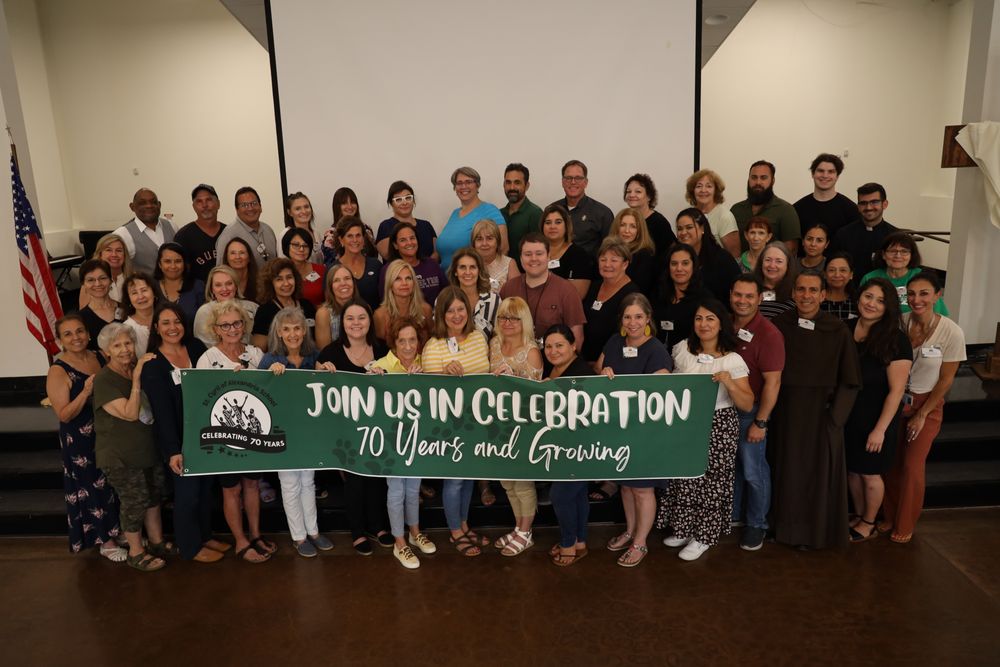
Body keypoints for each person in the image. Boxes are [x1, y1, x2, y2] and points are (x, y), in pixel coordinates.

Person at [770, 272, 861, 550]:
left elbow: (850, 381)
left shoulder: (837, 330)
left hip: (822, 415)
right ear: (793, 293)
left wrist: (835, 420)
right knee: (786, 473)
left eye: (812, 290)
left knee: (816, 477)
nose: (806, 296)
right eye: (801, 290)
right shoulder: (779, 325)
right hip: (785, 413)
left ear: (823, 295)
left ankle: (813, 534)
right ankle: (783, 530)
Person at [662, 299, 753, 561]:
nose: (704, 324)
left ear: (721, 323)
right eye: (699, 318)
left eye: (710, 318)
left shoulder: (733, 359)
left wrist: (729, 382)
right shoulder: (681, 349)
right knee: (684, 476)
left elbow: (747, 403)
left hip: (719, 423)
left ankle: (704, 535)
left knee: (712, 481)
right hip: (685, 420)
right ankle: (684, 527)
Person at [881, 271, 966, 544]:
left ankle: (905, 523)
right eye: (912, 294)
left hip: (927, 404)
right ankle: (889, 516)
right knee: (891, 463)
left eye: (924, 293)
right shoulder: (900, 323)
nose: (917, 300)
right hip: (896, 401)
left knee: (912, 464)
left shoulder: (952, 331)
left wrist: (922, 414)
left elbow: (946, 379)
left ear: (937, 296)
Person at [141, 304, 229, 563]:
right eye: (166, 323)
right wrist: (173, 451)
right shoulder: (154, 365)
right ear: (156, 328)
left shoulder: (196, 349)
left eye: (177, 322)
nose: (172, 328)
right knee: (187, 495)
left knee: (204, 491)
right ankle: (190, 547)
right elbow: (162, 413)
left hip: (206, 434)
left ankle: (205, 536)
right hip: (179, 440)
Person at [195, 300, 274, 562]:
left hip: (253, 433)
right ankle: (240, 541)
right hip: (223, 436)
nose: (232, 329)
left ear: (244, 324)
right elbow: (201, 400)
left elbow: (271, 393)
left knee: (252, 485)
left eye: (237, 323)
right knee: (231, 490)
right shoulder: (207, 358)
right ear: (216, 329)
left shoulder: (256, 355)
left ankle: (255, 535)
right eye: (225, 325)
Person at [597, 293, 672, 567]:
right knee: (626, 486)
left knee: (642, 489)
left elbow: (662, 384)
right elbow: (599, 366)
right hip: (618, 428)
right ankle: (630, 531)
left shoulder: (656, 350)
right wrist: (603, 371)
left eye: (638, 316)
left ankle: (640, 543)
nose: (633, 322)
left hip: (645, 432)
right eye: (628, 316)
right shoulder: (615, 342)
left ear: (648, 319)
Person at [93, 323, 171, 572]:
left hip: (146, 450)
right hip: (120, 457)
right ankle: (136, 552)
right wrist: (137, 378)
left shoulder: (136, 368)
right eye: (117, 345)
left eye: (128, 343)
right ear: (107, 351)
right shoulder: (105, 379)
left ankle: (157, 543)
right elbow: (129, 413)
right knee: (134, 502)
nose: (125, 349)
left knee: (154, 497)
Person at [259, 307, 335, 557]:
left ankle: (313, 531)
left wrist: (327, 370)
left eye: (297, 328)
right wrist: (271, 378)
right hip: (282, 432)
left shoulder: (313, 356)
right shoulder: (270, 360)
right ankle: (299, 537)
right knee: (290, 484)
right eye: (287, 329)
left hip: (308, 431)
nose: (293, 334)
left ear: (305, 331)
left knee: (308, 482)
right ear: (278, 332)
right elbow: (259, 393)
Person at [317, 300, 392, 554]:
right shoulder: (329, 354)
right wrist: (324, 375)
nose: (356, 323)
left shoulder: (383, 350)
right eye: (350, 318)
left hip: (377, 428)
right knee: (355, 480)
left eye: (362, 317)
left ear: (370, 321)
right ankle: (357, 531)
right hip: (345, 430)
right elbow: (320, 395)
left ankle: (378, 526)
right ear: (342, 323)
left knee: (376, 477)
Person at [47, 315, 124, 560]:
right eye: (68, 334)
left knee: (112, 482)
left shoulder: (99, 356)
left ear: (88, 334)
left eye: (80, 331)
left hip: (107, 431)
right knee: (93, 486)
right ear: (60, 341)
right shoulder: (59, 370)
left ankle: (117, 530)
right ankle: (106, 541)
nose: (76, 337)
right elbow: (64, 414)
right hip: (79, 438)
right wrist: (86, 392)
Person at [421, 287, 491, 556]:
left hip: (477, 422)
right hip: (449, 427)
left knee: (469, 478)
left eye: (461, 308)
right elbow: (428, 392)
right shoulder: (434, 345)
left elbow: (485, 373)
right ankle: (454, 532)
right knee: (454, 481)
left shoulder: (477, 338)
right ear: (441, 314)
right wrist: (443, 374)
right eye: (450, 310)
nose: (456, 314)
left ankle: (464, 524)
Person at [843, 279, 912, 542]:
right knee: (853, 470)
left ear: (889, 307)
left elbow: (896, 391)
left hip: (877, 417)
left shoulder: (897, 340)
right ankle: (860, 515)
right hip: (849, 414)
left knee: (870, 473)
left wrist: (880, 430)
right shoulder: (847, 328)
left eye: (880, 300)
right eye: (868, 296)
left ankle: (869, 522)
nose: (871, 303)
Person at [370, 317, 436, 569]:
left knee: (413, 489)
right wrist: (374, 377)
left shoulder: (425, 363)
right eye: (402, 341)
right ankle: (400, 543)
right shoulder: (382, 364)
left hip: (418, 438)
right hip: (392, 440)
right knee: (396, 491)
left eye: (412, 340)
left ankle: (415, 532)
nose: (408, 346)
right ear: (393, 342)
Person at [727, 274, 784, 551]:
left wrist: (761, 422)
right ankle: (736, 516)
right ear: (731, 295)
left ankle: (757, 524)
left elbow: (773, 382)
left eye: (749, 296)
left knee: (754, 471)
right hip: (724, 411)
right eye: (738, 294)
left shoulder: (769, 334)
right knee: (733, 470)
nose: (743, 300)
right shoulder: (724, 324)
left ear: (759, 299)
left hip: (751, 414)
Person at [489, 297, 543, 557]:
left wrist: (513, 381)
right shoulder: (494, 344)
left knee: (522, 483)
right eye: (502, 317)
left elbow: (536, 396)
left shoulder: (531, 351)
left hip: (523, 426)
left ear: (524, 321)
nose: (507, 323)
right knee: (507, 483)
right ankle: (518, 526)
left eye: (513, 318)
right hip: (497, 426)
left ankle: (526, 531)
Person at [542, 325, 595, 565]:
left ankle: (568, 543)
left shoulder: (582, 373)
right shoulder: (554, 369)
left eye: (559, 345)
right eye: (549, 346)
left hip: (580, 447)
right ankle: (580, 541)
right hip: (563, 446)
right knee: (577, 495)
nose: (553, 351)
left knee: (560, 495)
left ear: (573, 346)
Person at [499, 233, 587, 350]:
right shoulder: (508, 288)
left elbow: (577, 338)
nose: (533, 258)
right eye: (528, 254)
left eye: (539, 254)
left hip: (554, 362)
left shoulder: (567, 291)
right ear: (520, 258)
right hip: (515, 361)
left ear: (549, 256)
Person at [860, 232, 950, 315]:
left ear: (911, 255)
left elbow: (940, 314)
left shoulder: (924, 278)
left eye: (904, 251)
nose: (898, 256)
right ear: (883, 254)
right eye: (892, 251)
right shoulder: (870, 278)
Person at [581, 237, 639, 365]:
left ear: (625, 264)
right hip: (586, 361)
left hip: (611, 364)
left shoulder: (632, 294)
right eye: (603, 259)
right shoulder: (594, 286)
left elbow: (627, 334)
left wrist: (602, 361)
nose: (607, 265)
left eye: (614, 260)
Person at [438, 166, 507, 269]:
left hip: (471, 280)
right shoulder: (455, 214)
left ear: (477, 185)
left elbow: (503, 248)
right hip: (447, 281)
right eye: (459, 183)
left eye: (469, 182)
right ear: (455, 188)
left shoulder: (490, 211)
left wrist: (483, 279)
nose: (464, 186)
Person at [829, 183, 899, 278]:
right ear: (858, 206)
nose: (868, 207)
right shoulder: (843, 235)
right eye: (863, 203)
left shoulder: (896, 237)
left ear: (885, 204)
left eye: (874, 202)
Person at [731, 160, 801, 254]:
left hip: (772, 267)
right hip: (739, 267)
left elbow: (790, 252)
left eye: (763, 178)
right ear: (748, 180)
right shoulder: (736, 210)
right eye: (754, 177)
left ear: (772, 181)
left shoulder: (786, 210)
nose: (758, 182)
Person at [652, 243, 712, 350]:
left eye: (685, 263)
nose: (679, 269)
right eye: (674, 263)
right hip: (656, 357)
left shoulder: (705, 299)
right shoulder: (657, 294)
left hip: (689, 358)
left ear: (694, 266)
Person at [251, 258, 318, 353]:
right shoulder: (265, 311)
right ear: (270, 284)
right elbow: (258, 351)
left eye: (289, 277)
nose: (286, 283)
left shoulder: (307, 306)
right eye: (279, 279)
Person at [675, 207, 741, 302]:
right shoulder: (674, 259)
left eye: (689, 227)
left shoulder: (722, 259)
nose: (683, 233)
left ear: (702, 229)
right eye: (679, 229)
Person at [550, 159, 613, 257]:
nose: (573, 182)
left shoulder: (602, 213)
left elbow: (610, 250)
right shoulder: (551, 210)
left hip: (588, 271)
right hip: (555, 270)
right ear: (562, 182)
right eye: (568, 178)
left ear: (586, 182)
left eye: (578, 178)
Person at [793, 153, 860, 240]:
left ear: (837, 176)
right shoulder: (797, 209)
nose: (825, 175)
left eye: (831, 172)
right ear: (812, 174)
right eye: (820, 171)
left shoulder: (851, 210)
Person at [378, 222, 447, 305]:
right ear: (395, 245)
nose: (409, 243)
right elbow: (385, 302)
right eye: (403, 240)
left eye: (412, 238)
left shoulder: (432, 264)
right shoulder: (388, 270)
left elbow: (446, 293)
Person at [112, 188, 177, 275]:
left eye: (153, 202)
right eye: (142, 203)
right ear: (132, 207)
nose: (149, 206)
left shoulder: (171, 225)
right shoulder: (123, 234)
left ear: (159, 205)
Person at [192, 266, 259, 347]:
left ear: (236, 285)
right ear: (212, 289)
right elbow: (204, 346)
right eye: (218, 285)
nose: (224, 289)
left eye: (229, 283)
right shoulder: (204, 312)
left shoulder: (253, 307)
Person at [540, 203, 594, 298]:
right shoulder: (536, 252)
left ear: (566, 225)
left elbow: (577, 295)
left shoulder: (579, 255)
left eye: (558, 222)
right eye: (548, 222)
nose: (552, 227)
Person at [215, 186, 277, 268]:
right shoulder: (228, 236)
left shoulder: (268, 230)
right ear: (237, 210)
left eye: (254, 203)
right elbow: (221, 271)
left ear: (260, 206)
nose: (250, 208)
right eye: (244, 205)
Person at [174, 184, 225, 283]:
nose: (205, 205)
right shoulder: (183, 236)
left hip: (227, 293)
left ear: (218, 204)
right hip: (197, 295)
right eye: (199, 201)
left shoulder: (229, 232)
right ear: (194, 207)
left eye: (209, 200)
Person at [375, 181, 438, 261]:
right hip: (399, 272)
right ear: (391, 203)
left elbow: (437, 254)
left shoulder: (426, 225)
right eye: (398, 199)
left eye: (408, 198)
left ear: (413, 201)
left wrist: (425, 268)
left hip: (428, 272)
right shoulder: (386, 226)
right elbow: (389, 257)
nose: (404, 203)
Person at [373, 260, 433, 343]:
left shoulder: (426, 310)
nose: (404, 283)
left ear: (414, 282)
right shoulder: (380, 315)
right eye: (398, 279)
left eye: (408, 278)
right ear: (390, 284)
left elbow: (432, 342)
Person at [624, 173, 677, 264]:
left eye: (638, 191)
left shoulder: (659, 223)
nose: (632, 195)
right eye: (628, 191)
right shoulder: (624, 219)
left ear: (649, 196)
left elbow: (668, 255)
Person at [686, 168, 740, 257]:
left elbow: (735, 255)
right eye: (699, 186)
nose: (703, 190)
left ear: (716, 190)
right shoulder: (688, 215)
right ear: (693, 190)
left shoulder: (725, 216)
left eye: (709, 186)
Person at [448, 247, 501, 339]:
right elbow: (439, 334)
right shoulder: (444, 300)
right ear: (455, 272)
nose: (467, 272)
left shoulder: (494, 300)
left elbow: (499, 337)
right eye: (462, 267)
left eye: (472, 267)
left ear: (479, 270)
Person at [333, 215, 382, 307]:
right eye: (350, 236)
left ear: (363, 239)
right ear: (341, 240)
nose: (355, 240)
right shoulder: (333, 270)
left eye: (358, 235)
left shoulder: (376, 265)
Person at [153, 242, 205, 325]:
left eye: (178, 261)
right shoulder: (151, 287)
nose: (173, 266)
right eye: (167, 261)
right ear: (159, 264)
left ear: (184, 264)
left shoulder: (198, 286)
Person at [77, 259, 122, 350]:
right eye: (91, 280)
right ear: (83, 285)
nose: (98, 284)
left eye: (103, 278)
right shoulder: (80, 319)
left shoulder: (127, 309)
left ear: (111, 280)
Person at [314, 263, 361, 349]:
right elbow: (324, 353)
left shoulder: (364, 309)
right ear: (330, 286)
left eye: (347, 278)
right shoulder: (324, 314)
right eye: (336, 280)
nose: (343, 283)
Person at [500, 163, 543, 256]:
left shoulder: (535, 214)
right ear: (503, 185)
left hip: (525, 270)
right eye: (508, 182)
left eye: (517, 182)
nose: (512, 187)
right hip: (501, 269)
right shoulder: (499, 214)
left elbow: (539, 250)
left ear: (527, 185)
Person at [610, 206, 656, 293]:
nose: (627, 231)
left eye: (633, 226)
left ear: (639, 231)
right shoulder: (608, 252)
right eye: (622, 225)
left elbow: (639, 290)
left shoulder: (643, 255)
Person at [81, 233, 132, 307]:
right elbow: (84, 315)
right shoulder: (90, 283)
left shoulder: (134, 278)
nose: (114, 254)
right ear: (100, 254)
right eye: (108, 250)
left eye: (119, 250)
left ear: (124, 255)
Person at [752, 242, 798, 320]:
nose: (772, 265)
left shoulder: (795, 292)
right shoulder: (750, 287)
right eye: (768, 260)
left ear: (788, 265)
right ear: (761, 262)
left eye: (779, 261)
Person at [281, 227, 326, 307]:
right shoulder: (280, 272)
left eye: (305, 246)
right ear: (287, 246)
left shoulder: (321, 271)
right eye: (296, 245)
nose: (301, 249)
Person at [473, 218, 519, 292]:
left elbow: (517, 298)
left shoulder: (509, 264)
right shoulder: (468, 264)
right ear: (473, 244)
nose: (484, 243)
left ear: (497, 242)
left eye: (489, 238)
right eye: (479, 239)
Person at [121, 272, 161, 356]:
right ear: (129, 299)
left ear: (154, 293)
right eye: (134, 293)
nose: (140, 296)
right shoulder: (126, 328)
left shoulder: (167, 318)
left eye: (144, 290)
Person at [281, 192, 324, 263]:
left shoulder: (317, 234)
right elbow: (283, 263)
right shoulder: (285, 234)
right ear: (290, 212)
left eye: (306, 207)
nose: (304, 211)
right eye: (298, 209)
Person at [821, 252, 859, 321]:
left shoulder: (858, 302)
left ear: (851, 274)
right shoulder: (816, 300)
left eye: (843, 270)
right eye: (832, 270)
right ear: (824, 274)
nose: (837, 275)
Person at [221, 237, 259, 302]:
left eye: (242, 253)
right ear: (226, 257)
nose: (237, 257)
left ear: (249, 257)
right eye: (233, 253)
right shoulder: (220, 282)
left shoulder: (260, 282)